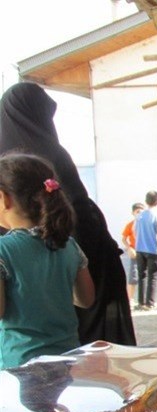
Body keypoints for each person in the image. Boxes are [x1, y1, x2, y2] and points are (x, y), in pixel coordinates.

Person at [0, 82, 136, 346]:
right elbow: (86, 297)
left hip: (21, 348)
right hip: (86, 285)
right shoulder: (55, 156)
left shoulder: (7, 168)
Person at [0, 153, 95, 368]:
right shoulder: (68, 245)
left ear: (4, 198)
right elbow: (86, 299)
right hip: (67, 359)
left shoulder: (3, 249)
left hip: (19, 366)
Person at [134, 190, 157, 311]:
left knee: (141, 275)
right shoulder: (156, 216)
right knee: (152, 276)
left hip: (139, 249)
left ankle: (140, 302)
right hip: (152, 249)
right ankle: (150, 303)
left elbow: (134, 231)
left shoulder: (139, 216)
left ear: (146, 201)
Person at [121, 202, 144, 301]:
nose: (139, 214)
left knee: (144, 276)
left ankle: (143, 300)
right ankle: (129, 298)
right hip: (135, 252)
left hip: (145, 251)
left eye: (141, 212)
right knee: (133, 275)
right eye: (137, 212)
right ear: (133, 213)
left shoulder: (145, 224)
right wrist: (129, 248)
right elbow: (124, 238)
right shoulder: (130, 225)